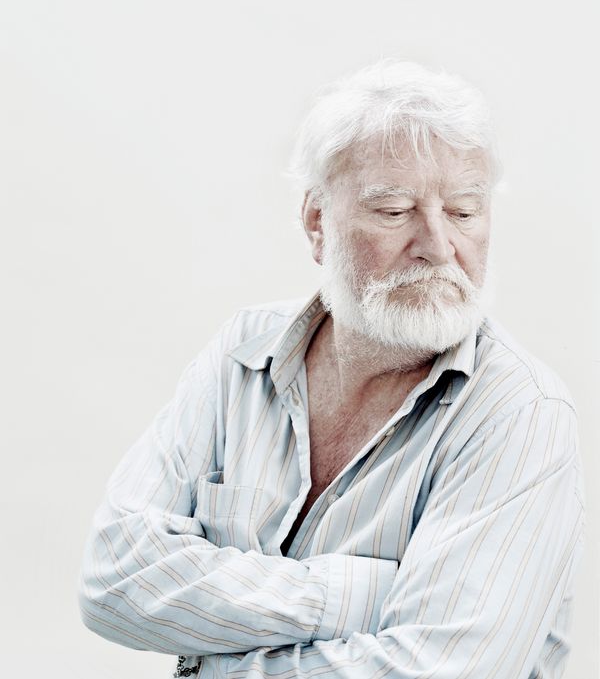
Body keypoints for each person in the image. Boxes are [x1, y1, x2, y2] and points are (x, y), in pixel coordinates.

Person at [79, 61, 585, 679]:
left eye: (463, 212)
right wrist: (355, 595)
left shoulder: (521, 414)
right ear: (317, 221)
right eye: (394, 210)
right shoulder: (242, 352)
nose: (438, 246)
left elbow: (441, 670)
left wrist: (210, 660)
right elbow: (113, 577)